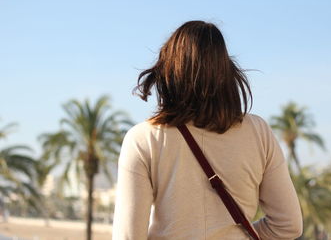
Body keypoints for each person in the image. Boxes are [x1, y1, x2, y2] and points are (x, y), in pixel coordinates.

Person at [112, 20, 303, 240]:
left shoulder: (143, 139)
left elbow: (128, 236)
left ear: (169, 71)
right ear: (225, 71)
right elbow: (288, 225)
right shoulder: (258, 133)